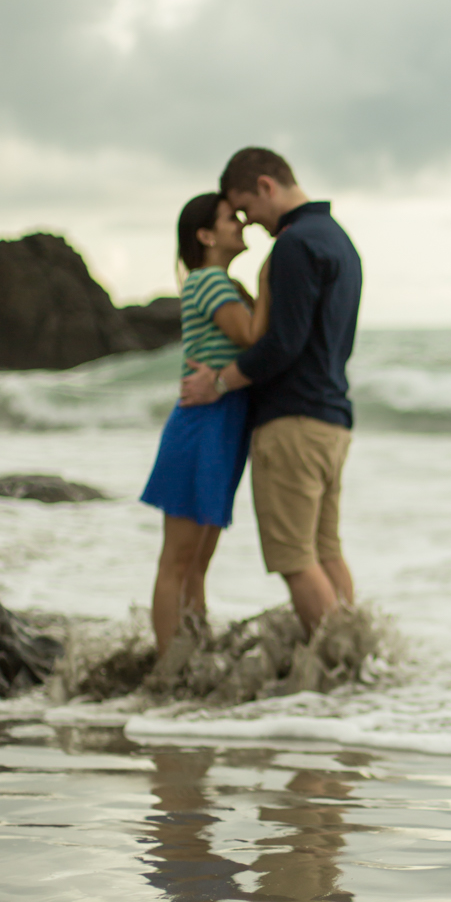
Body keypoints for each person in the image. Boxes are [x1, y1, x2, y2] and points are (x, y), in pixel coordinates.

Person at [179, 147, 362, 636]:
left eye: (246, 208)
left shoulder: (294, 244)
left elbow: (281, 344)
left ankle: (339, 663)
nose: (250, 223)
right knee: (326, 552)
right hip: (332, 420)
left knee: (296, 561)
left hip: (292, 423)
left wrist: (219, 382)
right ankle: (359, 660)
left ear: (265, 186)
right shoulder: (339, 241)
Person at [142, 192, 270, 653]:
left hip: (221, 425)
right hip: (203, 425)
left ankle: (192, 655)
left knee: (195, 563)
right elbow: (252, 335)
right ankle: (168, 666)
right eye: (230, 219)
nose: (242, 225)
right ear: (206, 235)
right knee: (179, 561)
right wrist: (270, 278)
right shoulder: (210, 281)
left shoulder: (219, 283)